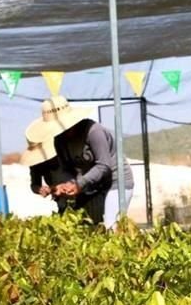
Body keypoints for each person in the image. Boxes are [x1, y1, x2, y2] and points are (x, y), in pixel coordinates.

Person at [25, 96, 134, 228]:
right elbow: (70, 170)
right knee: (88, 227)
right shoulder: (59, 140)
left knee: (111, 226)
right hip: (91, 186)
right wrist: (64, 186)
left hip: (116, 182)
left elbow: (104, 165)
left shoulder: (94, 131)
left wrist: (79, 184)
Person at [20, 138, 72, 214]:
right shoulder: (36, 163)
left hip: (77, 193)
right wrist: (40, 189)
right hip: (61, 201)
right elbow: (34, 184)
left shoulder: (61, 151)